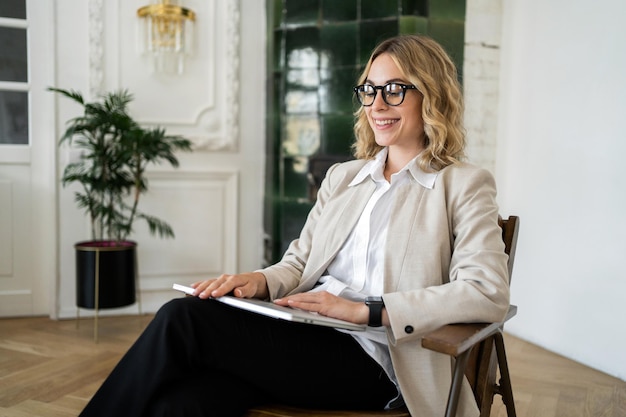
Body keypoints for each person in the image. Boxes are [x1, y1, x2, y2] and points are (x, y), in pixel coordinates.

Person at [79, 34, 509, 417]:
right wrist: (259, 282)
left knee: (183, 319)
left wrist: (368, 310)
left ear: (431, 96)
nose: (377, 104)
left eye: (395, 90)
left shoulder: (463, 184)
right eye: (369, 90)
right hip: (304, 334)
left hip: (379, 359)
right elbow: (300, 262)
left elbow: (486, 291)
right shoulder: (344, 177)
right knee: (183, 403)